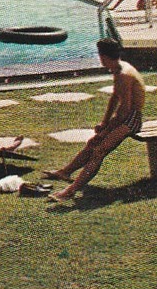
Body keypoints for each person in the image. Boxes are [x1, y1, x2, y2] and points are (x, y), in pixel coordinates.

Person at [46, 38, 145, 202]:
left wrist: (106, 131)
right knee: (93, 143)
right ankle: (65, 172)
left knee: (99, 150)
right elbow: (115, 97)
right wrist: (105, 122)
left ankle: (71, 190)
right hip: (127, 116)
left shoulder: (123, 74)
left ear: (103, 56)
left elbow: (125, 110)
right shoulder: (118, 68)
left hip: (132, 119)